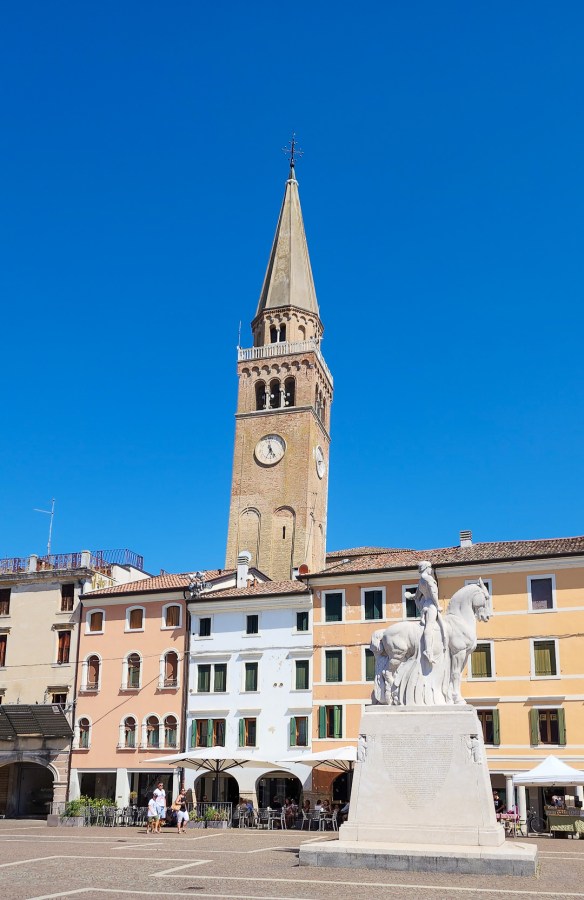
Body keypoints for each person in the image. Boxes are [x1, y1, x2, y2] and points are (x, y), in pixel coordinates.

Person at [412, 561, 445, 665]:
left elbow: (416, 597)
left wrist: (412, 598)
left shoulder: (421, 581)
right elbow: (433, 593)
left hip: (425, 604)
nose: (431, 569)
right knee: (429, 627)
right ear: (426, 568)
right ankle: (428, 650)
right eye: (430, 567)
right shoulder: (429, 579)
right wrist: (438, 605)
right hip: (431, 605)